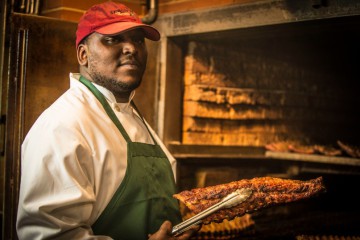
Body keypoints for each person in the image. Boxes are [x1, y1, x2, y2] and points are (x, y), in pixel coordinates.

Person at [16, 1, 199, 239]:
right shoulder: (62, 126)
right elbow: (49, 235)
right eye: (113, 39)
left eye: (138, 39)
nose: (131, 48)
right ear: (83, 54)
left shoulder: (132, 116)